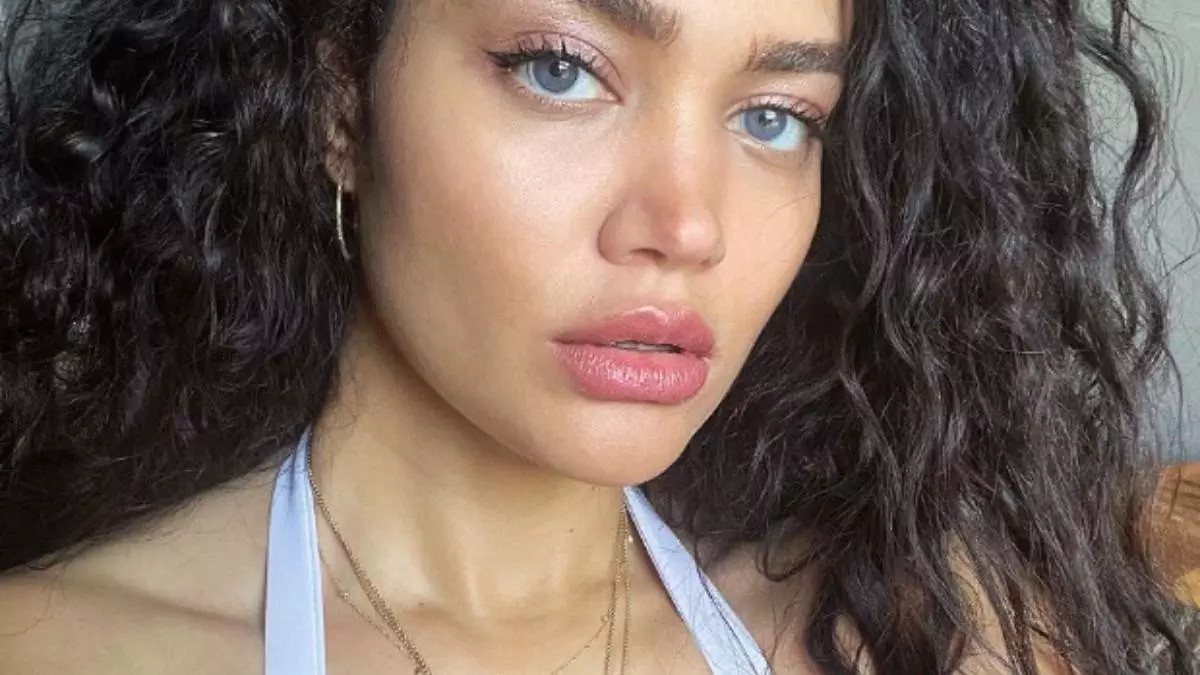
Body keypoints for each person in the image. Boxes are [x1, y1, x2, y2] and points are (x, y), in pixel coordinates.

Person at [0, 0, 1193, 672]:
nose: (687, 227)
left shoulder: (935, 637)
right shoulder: (57, 649)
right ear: (339, 107)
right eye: (562, 73)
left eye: (776, 117)